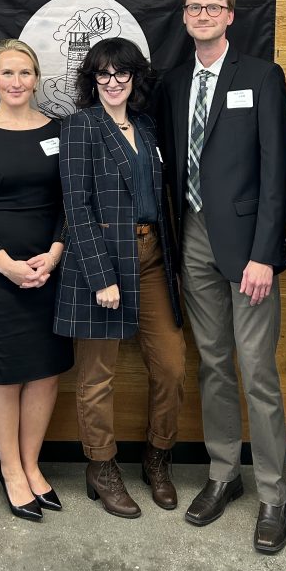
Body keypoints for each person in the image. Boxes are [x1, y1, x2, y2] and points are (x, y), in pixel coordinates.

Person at [158, 0, 286, 553]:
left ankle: (274, 493)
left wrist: (265, 252)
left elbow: (278, 170)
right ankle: (222, 475)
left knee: (258, 371)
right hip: (192, 237)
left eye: (215, 7)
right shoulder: (173, 80)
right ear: (185, 17)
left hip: (247, 248)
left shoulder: (261, 76)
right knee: (213, 363)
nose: (204, 15)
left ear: (231, 16)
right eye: (195, 8)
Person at [56, 38, 185, 519]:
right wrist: (99, 274)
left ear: (135, 78)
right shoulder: (79, 127)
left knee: (171, 365)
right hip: (102, 261)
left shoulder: (148, 127)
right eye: (103, 75)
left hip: (153, 256)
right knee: (96, 376)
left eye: (122, 74)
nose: (112, 83)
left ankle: (158, 457)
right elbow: (77, 206)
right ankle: (101, 466)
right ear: (92, 81)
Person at [0, 39, 73, 522]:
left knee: (45, 371)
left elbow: (73, 201)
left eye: (25, 73)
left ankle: (31, 463)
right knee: (3, 374)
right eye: (7, 74)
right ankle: (10, 470)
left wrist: (55, 254)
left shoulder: (60, 131)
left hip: (49, 270)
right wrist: (3, 262)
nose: (17, 82)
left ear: (36, 77)